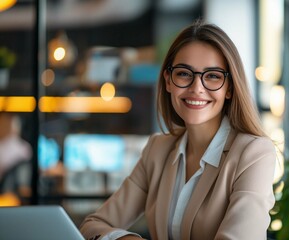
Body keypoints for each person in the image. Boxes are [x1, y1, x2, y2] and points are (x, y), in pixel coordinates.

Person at [80, 19, 276, 240]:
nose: (196, 88)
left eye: (212, 76)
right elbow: (93, 225)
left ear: (229, 88)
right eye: (184, 73)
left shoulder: (254, 153)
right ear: (168, 81)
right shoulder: (157, 149)